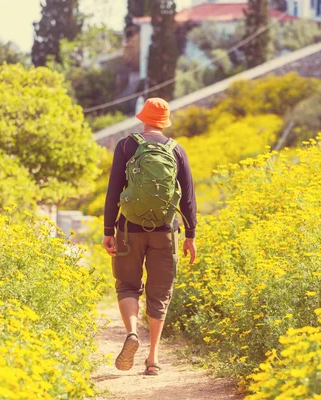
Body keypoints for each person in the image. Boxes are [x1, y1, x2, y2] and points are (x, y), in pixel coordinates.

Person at [103, 98, 197, 376]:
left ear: (143, 118)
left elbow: (113, 191)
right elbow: (188, 198)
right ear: (165, 121)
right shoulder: (177, 150)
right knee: (160, 293)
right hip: (166, 231)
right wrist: (190, 235)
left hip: (129, 228)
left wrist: (109, 231)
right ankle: (153, 358)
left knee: (127, 285)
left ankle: (132, 333)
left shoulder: (126, 146)